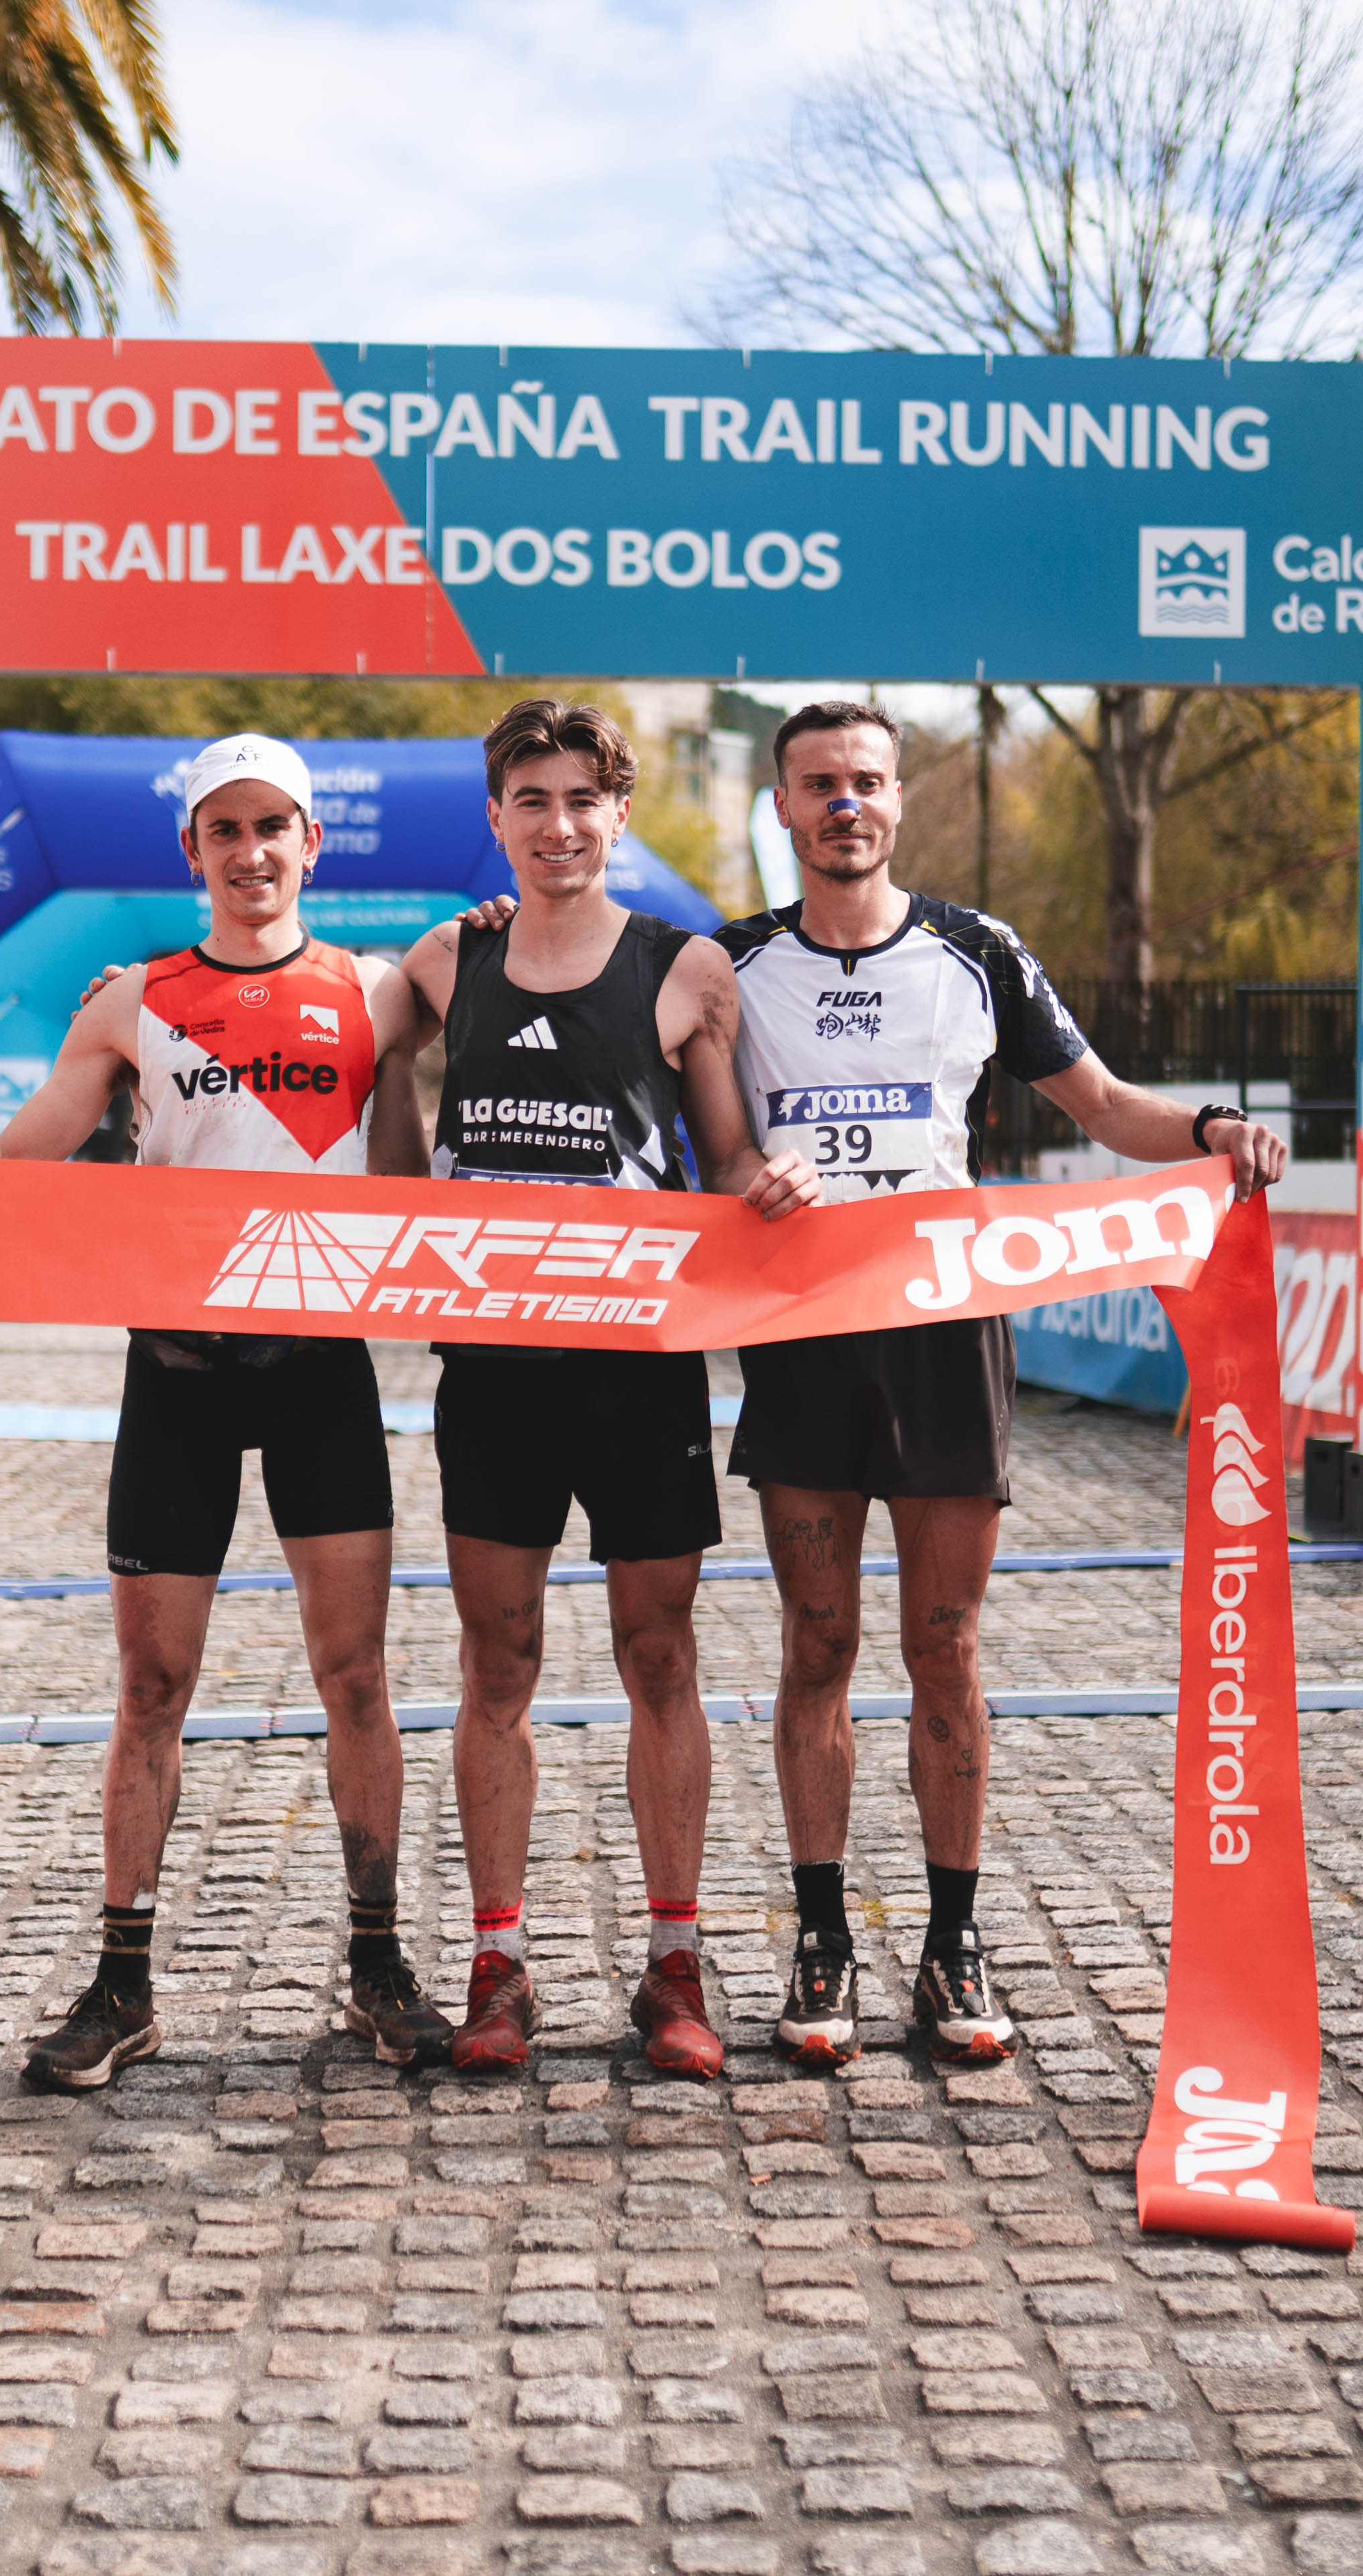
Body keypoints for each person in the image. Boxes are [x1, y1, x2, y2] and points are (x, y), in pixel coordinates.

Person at [0, 734, 451, 2092]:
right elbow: (22, 1155)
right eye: (226, 828)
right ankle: (123, 1983)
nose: (251, 850)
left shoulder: (377, 990)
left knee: (355, 1676)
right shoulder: (132, 1000)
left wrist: (494, 929)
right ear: (193, 850)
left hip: (321, 1368)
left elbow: (455, 1084)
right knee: (152, 1688)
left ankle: (378, 1961)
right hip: (177, 1372)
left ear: (311, 841)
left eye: (273, 825)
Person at [718, 702, 1289, 2066]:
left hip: (945, 1328)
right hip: (802, 1325)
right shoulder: (724, 962)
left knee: (947, 1647)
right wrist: (486, 932)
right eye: (817, 784)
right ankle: (821, 1940)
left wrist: (1213, 1127)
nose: (843, 803)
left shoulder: (976, 951)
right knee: (815, 1645)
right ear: (782, 806)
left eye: (865, 780)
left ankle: (951, 1941)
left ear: (898, 798)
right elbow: (647, 1073)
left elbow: (1105, 1105)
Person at [376, 698, 814, 2080]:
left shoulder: (686, 968)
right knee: (496, 1664)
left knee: (659, 1655)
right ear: (496, 817)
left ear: (620, 812)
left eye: (582, 799)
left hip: (640, 1370)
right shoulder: (446, 957)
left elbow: (726, 1155)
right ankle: (497, 1964)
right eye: (532, 800)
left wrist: (767, 1181)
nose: (558, 825)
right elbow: (352, 1093)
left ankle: (674, 1962)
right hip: (493, 1373)